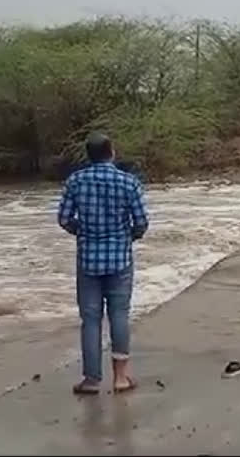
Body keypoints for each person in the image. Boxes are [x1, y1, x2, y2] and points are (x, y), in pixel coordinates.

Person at [58, 132, 149, 396]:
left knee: (90, 320)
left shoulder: (75, 181)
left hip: (88, 260)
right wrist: (128, 236)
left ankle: (91, 380)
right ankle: (120, 378)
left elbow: (64, 219)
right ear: (112, 152)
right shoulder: (128, 182)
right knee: (119, 315)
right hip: (120, 259)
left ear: (89, 155)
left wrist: (83, 232)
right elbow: (142, 221)